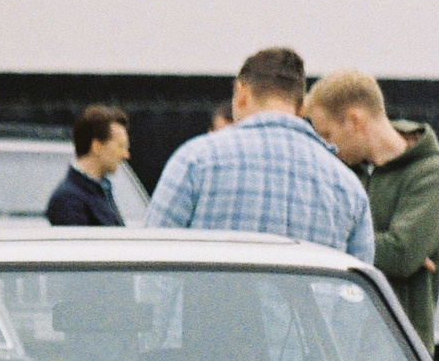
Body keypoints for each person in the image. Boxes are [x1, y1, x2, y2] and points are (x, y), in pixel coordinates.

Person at [146, 48, 374, 260]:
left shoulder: (195, 160)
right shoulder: (347, 186)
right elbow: (358, 278)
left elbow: (152, 257)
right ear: (301, 108)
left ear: (241, 93)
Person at [303, 70, 439, 346]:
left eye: (327, 134)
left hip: (396, 350)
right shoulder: (343, 171)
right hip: (336, 342)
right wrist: (378, 248)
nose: (326, 146)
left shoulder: (432, 175)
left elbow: (401, 255)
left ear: (355, 120)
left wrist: (331, 241)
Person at [46, 105, 128, 226]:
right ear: (97, 146)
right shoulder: (68, 200)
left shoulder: (101, 190)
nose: (126, 155)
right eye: (120, 146)